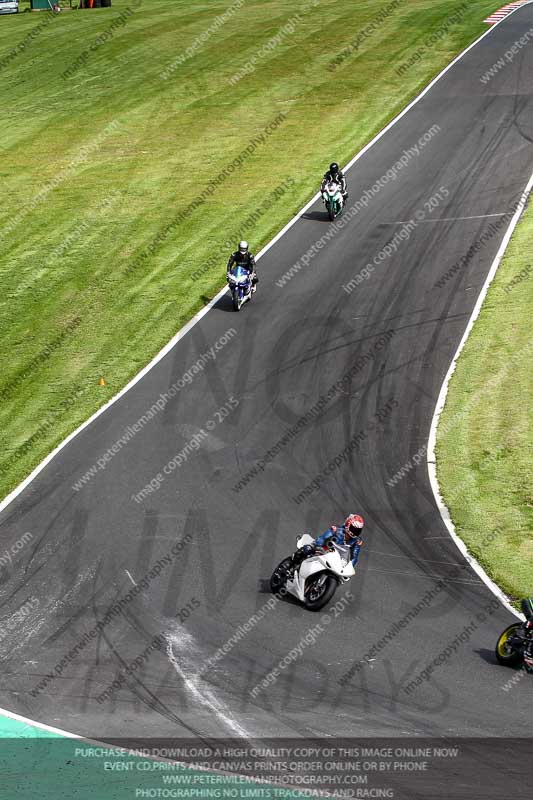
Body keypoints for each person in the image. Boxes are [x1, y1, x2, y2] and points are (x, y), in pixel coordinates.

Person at [290, 513, 365, 573]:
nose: (354, 532)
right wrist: (316, 545)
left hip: (335, 561)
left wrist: (349, 568)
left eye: (357, 531)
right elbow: (322, 538)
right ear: (348, 524)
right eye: (353, 529)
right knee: (308, 549)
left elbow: (354, 557)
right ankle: (291, 563)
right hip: (322, 551)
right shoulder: (336, 530)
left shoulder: (357, 541)